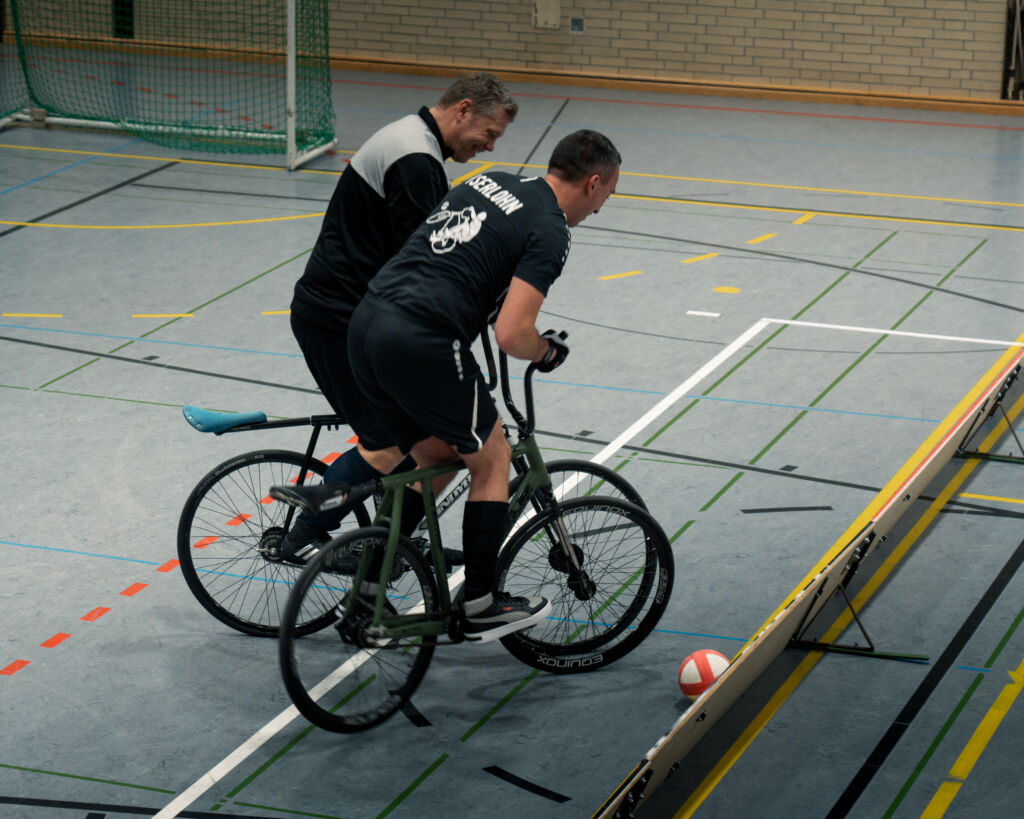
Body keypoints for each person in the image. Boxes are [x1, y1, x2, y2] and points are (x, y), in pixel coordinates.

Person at [346, 129, 621, 642]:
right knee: (492, 459)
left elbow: (462, 264)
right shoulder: (552, 228)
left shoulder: (490, 180)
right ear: (592, 182)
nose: (601, 207)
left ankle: (366, 595)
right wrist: (545, 351)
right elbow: (513, 334)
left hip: (367, 327)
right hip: (423, 339)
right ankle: (480, 603)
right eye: (607, 193)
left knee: (433, 457)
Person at [278, 72, 518, 564]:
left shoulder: (413, 139)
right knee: (392, 446)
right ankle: (305, 538)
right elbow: (429, 265)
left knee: (421, 443)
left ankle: (388, 543)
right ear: (463, 109)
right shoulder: (415, 161)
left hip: (354, 314)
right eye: (489, 133)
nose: (489, 147)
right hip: (339, 319)